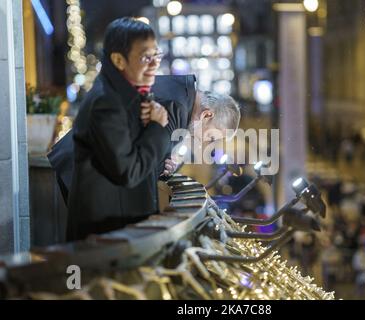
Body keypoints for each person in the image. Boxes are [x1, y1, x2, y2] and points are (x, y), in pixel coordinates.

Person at [65, 18, 241, 241]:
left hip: (95, 195)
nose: (207, 144)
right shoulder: (174, 107)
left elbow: (142, 152)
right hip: (98, 208)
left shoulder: (178, 95)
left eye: (156, 58)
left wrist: (167, 159)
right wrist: (163, 153)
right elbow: (138, 170)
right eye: (212, 137)